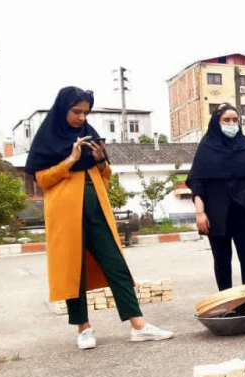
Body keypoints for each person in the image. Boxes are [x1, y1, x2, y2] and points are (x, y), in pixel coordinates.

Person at [26, 87, 173, 350]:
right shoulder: (47, 137)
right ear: (63, 109)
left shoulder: (89, 134)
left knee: (115, 263)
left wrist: (100, 160)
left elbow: (105, 175)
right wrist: (70, 160)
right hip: (65, 214)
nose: (82, 117)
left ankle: (138, 325)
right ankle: (83, 328)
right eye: (76, 111)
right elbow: (42, 179)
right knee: (74, 269)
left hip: (97, 210)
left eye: (85, 112)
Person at [187, 103, 245, 291]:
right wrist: (200, 212)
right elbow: (197, 181)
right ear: (217, 121)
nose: (232, 124)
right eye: (227, 120)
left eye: (235, 120)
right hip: (216, 213)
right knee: (222, 258)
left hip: (244, 211)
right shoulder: (206, 148)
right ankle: (227, 301)